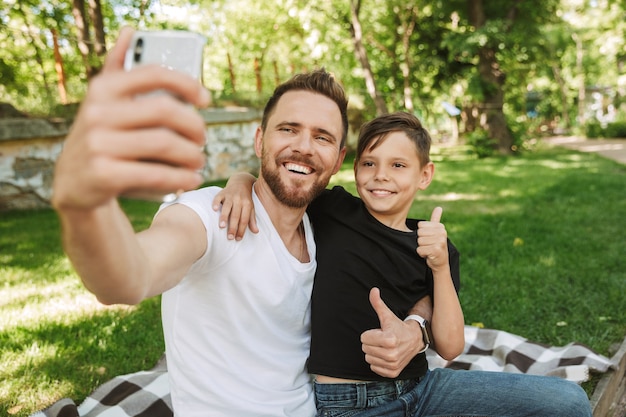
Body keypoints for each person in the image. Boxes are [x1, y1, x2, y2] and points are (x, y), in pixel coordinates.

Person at [51, 28, 425, 416]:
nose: (303, 146)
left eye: (322, 137)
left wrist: (417, 329)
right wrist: (85, 205)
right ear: (259, 141)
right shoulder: (210, 216)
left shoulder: (325, 225)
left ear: (337, 158)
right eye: (289, 129)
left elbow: (410, 264)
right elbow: (127, 277)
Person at [216, 112, 593, 416]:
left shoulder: (435, 246)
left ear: (424, 175)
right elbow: (274, 182)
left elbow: (450, 346)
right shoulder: (334, 209)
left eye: (398, 165)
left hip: (424, 389)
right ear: (355, 169)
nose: (381, 175)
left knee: (569, 401)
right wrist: (237, 183)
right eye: (369, 163)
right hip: (348, 404)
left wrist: (440, 265)